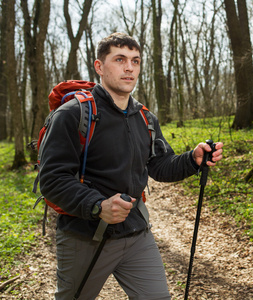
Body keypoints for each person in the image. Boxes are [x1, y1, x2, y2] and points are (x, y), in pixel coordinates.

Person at [39, 32, 223, 300]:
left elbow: (159, 166)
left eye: (135, 61)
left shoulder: (145, 118)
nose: (129, 68)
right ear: (99, 66)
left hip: (136, 234)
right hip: (83, 237)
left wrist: (191, 159)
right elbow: (53, 180)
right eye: (120, 59)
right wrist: (98, 206)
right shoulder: (73, 115)